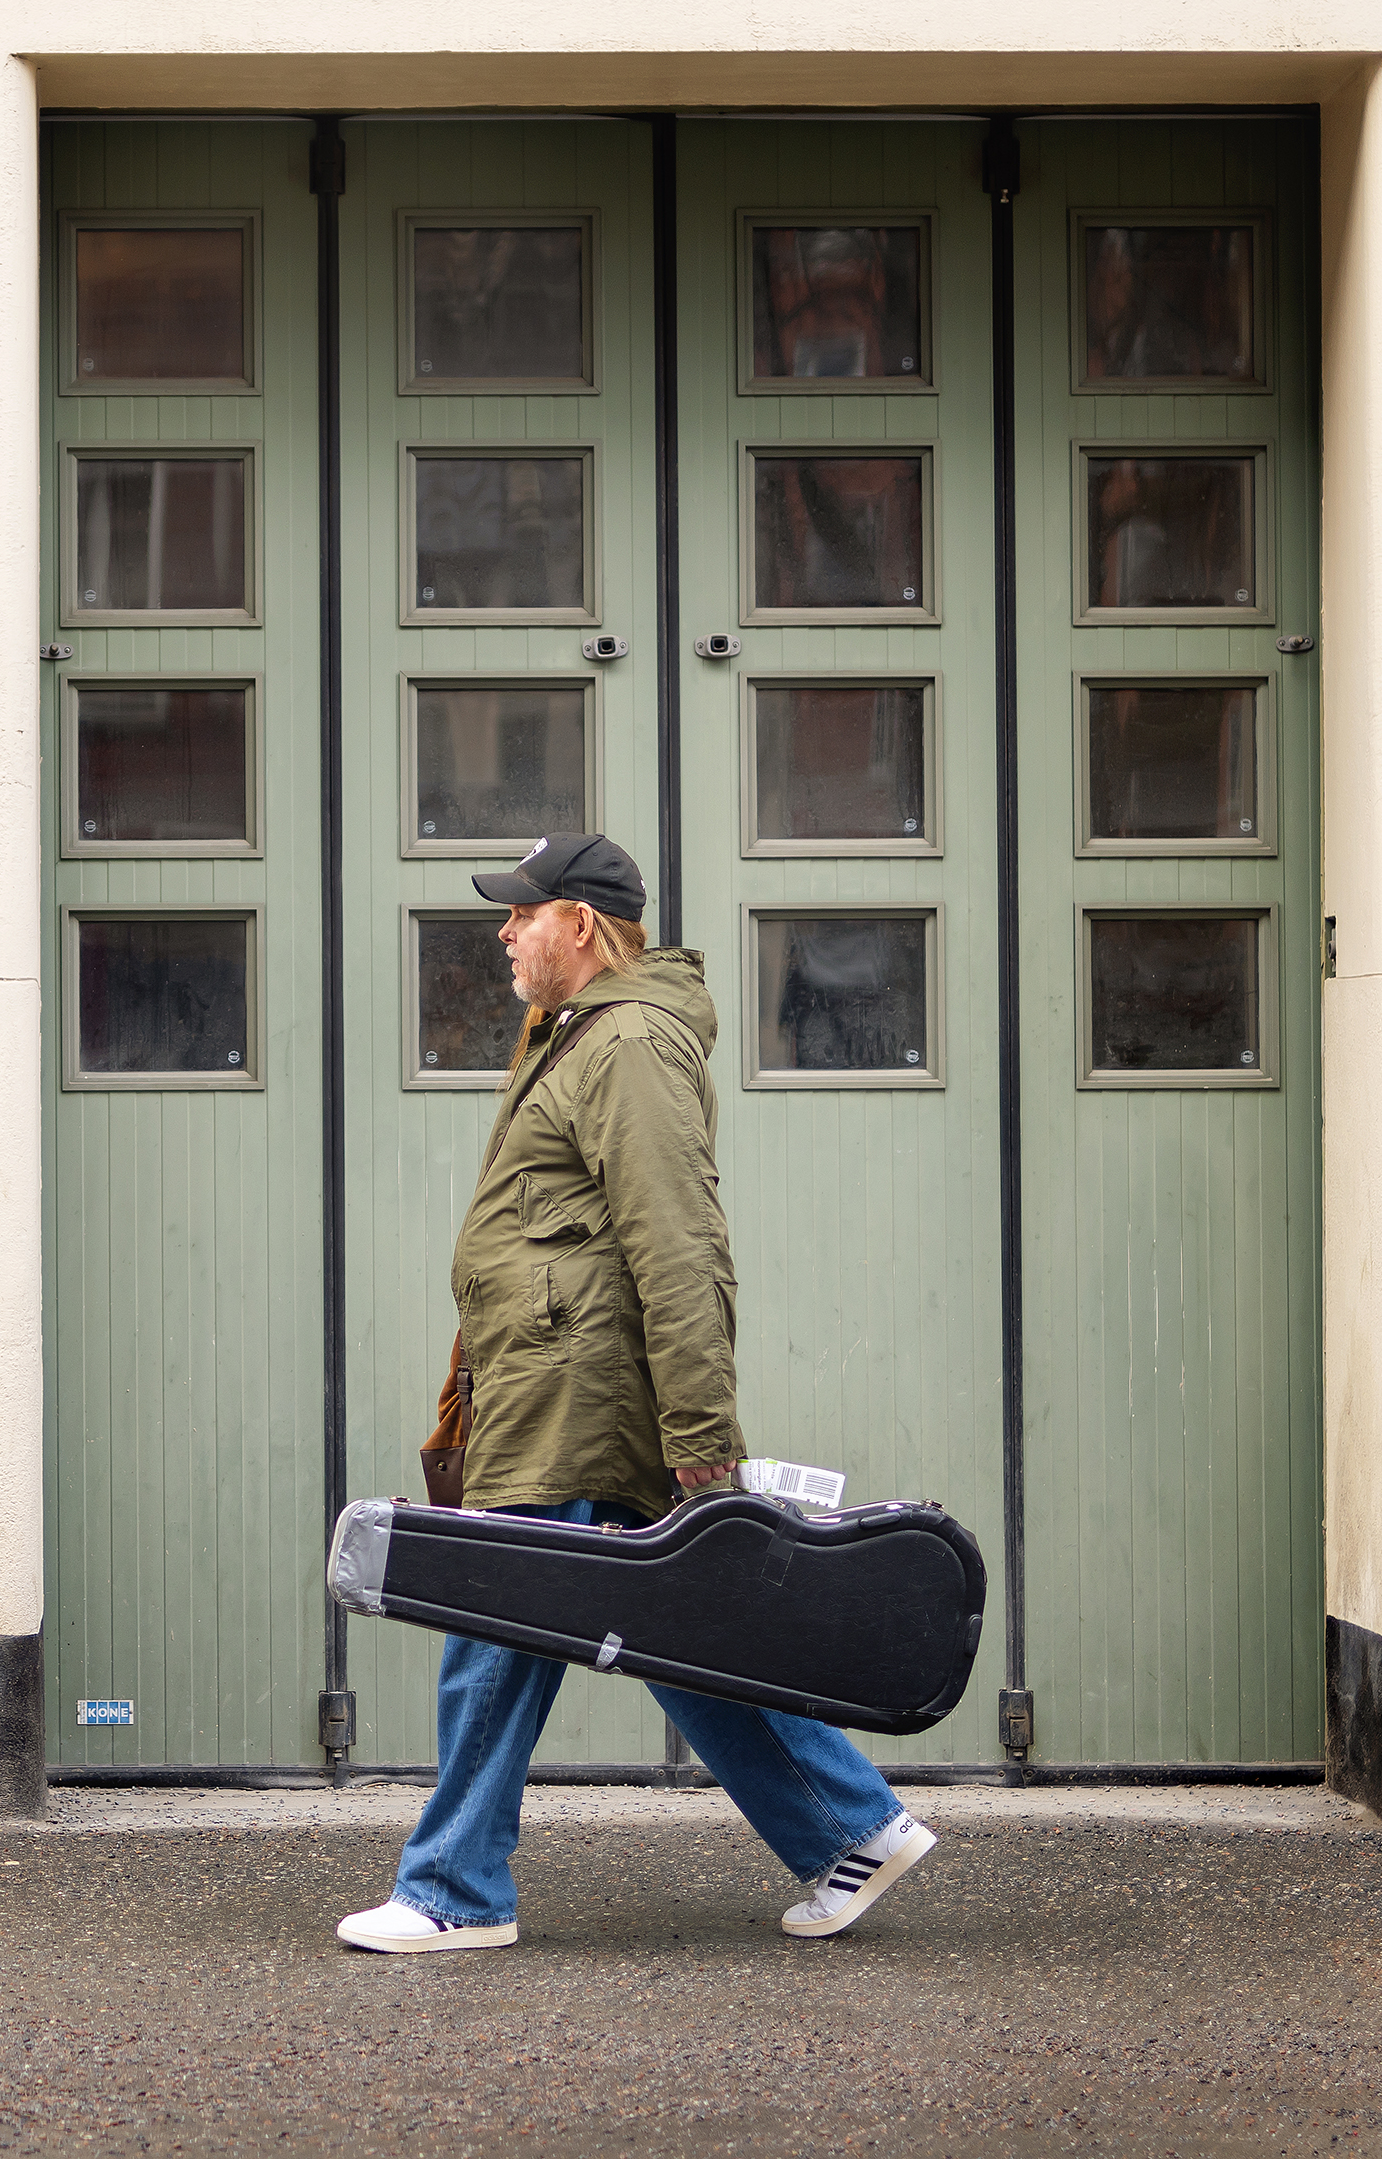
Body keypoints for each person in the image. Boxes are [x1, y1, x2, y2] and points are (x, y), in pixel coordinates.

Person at [336, 832, 940, 1953]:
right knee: (672, 1630)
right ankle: (852, 1829)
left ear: (581, 922)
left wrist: (705, 1443)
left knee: (496, 1620)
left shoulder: (628, 1042)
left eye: (522, 912)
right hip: (563, 1386)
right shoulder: (579, 1035)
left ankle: (454, 1890)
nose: (504, 931)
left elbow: (681, 1247)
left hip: (575, 1402)